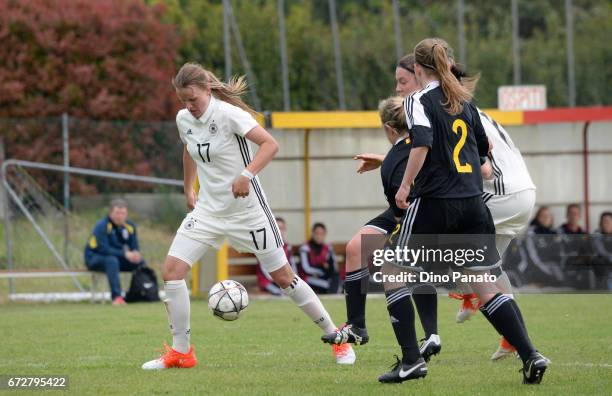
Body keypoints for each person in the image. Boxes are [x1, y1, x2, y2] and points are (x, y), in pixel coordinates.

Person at [142, 63, 354, 370]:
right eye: (183, 101)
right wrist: (189, 188)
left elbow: (270, 144)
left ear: (207, 90)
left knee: (283, 277)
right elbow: (188, 150)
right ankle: (182, 352)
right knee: (172, 271)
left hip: (248, 211)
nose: (189, 106)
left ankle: (337, 337)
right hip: (209, 211)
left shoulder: (229, 114)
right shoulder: (184, 119)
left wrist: (246, 175)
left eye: (194, 100)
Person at [375, 38, 547, 384]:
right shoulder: (463, 101)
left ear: (419, 69)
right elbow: (483, 153)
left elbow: (421, 142)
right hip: (473, 203)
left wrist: (407, 185)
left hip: (436, 202)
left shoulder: (417, 100)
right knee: (486, 285)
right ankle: (531, 354)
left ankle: (411, 360)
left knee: (392, 271)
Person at [321, 56, 440, 362]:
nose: (398, 88)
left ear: (421, 78)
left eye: (403, 82)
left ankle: (427, 340)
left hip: (432, 207)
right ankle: (357, 326)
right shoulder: (411, 121)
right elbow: (411, 152)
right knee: (355, 248)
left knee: (406, 266)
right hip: (406, 206)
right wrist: (386, 159)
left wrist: (392, 165)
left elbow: (432, 154)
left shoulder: (434, 108)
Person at [444, 62, 538, 361]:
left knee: (440, 244)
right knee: (491, 268)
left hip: (500, 193)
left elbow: (481, 168)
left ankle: (470, 292)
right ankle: (513, 339)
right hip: (523, 194)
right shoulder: (477, 112)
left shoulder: (456, 115)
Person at [84, 199, 145, 305]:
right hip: (94, 257)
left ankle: (140, 294)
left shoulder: (130, 226)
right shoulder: (102, 225)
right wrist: (125, 254)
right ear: (110, 213)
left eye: (123, 213)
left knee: (140, 262)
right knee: (111, 261)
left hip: (115, 259)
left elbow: (134, 246)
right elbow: (104, 249)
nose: (120, 216)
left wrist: (135, 254)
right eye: (117, 213)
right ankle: (117, 297)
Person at [256, 217, 296, 296]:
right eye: (276, 228)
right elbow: (264, 269)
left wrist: (293, 278)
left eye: (281, 228)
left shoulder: (287, 246)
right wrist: (279, 279)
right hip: (268, 280)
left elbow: (292, 265)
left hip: (285, 279)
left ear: (285, 229)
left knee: (295, 292)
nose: (279, 231)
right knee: (280, 293)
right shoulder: (265, 246)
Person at [298, 223, 341, 294]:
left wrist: (327, 270)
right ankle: (333, 295)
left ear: (325, 235)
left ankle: (334, 294)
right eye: (317, 233)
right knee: (329, 286)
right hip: (308, 279)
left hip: (326, 277)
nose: (319, 236)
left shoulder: (328, 249)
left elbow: (334, 267)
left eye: (322, 234)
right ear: (312, 233)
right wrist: (322, 269)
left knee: (337, 280)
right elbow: (306, 268)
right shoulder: (305, 248)